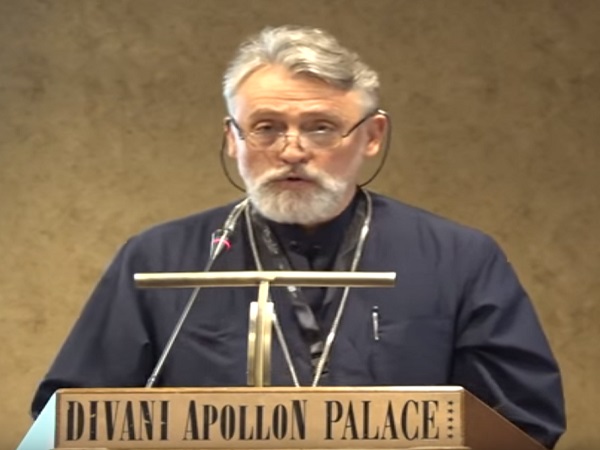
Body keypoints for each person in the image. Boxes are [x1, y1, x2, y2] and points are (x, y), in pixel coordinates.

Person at [31, 25, 565, 448]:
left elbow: (522, 421)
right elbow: (68, 421)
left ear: (372, 136)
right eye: (265, 127)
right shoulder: (156, 258)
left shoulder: (460, 258)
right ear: (233, 138)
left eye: (320, 127)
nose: (291, 151)